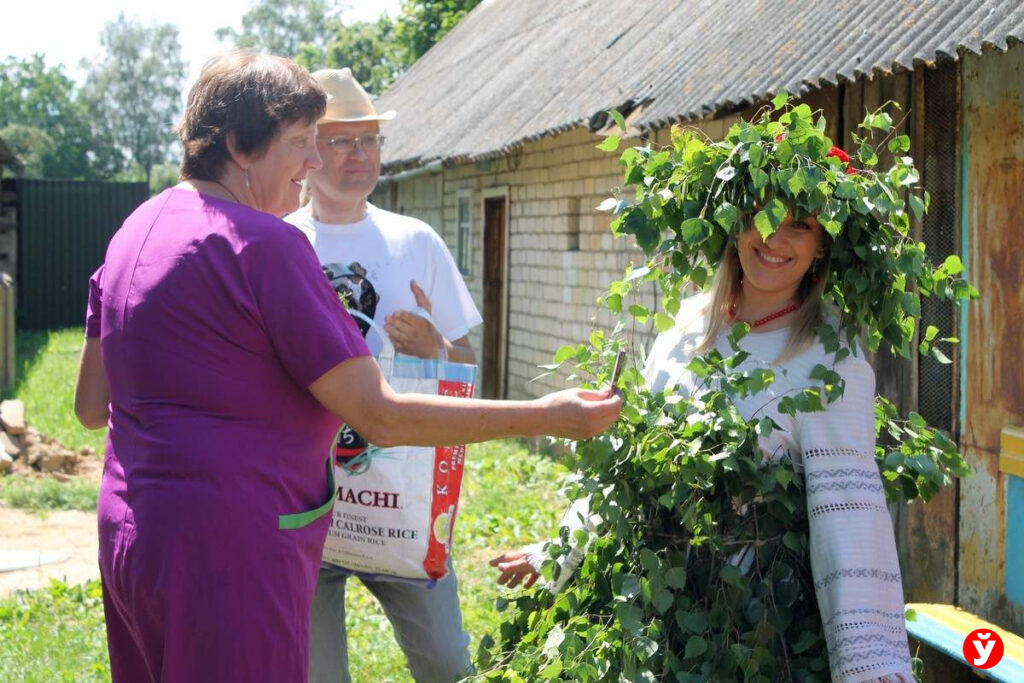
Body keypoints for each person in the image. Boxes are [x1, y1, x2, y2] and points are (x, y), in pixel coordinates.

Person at [73, 51, 621, 683]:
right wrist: (547, 415)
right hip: (230, 551)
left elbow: (91, 407)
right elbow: (378, 415)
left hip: (133, 533)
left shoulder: (136, 228)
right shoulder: (265, 246)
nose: (311, 165)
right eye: (302, 143)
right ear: (238, 146)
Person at [492, 213, 914, 682]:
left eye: (799, 225)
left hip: (756, 639)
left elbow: (848, 515)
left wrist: (869, 664)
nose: (773, 235)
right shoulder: (684, 329)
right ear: (736, 226)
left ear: (822, 248)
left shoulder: (830, 359)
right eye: (762, 214)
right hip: (651, 621)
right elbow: (631, 462)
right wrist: (559, 552)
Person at [283, 68, 480, 683]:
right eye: (341, 141)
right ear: (308, 151)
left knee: (446, 664)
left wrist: (434, 345)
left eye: (369, 140)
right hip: (304, 502)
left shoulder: (414, 241)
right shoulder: (279, 244)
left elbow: (467, 368)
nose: (358, 155)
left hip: (400, 496)